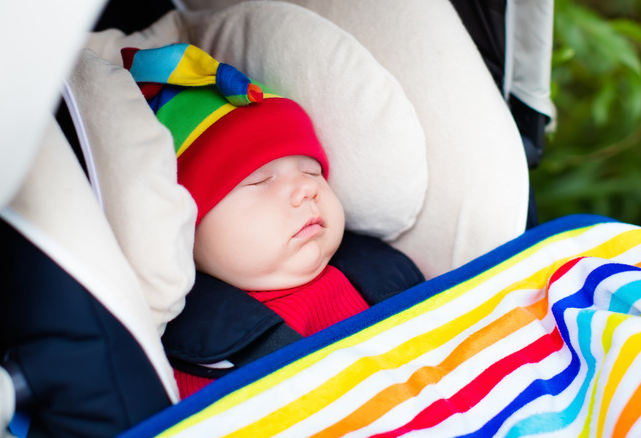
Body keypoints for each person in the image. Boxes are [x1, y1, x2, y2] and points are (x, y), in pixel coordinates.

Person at [124, 44, 424, 398]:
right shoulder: (195, 359)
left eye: (313, 170)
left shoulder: (383, 268)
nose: (307, 188)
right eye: (259, 180)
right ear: (189, 228)